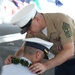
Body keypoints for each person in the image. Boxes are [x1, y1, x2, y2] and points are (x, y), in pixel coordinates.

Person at [5, 3, 75, 75]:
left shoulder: (61, 20)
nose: (28, 32)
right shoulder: (33, 31)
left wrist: (45, 66)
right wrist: (15, 59)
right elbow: (24, 49)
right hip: (60, 60)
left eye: (29, 28)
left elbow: (70, 50)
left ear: (37, 19)